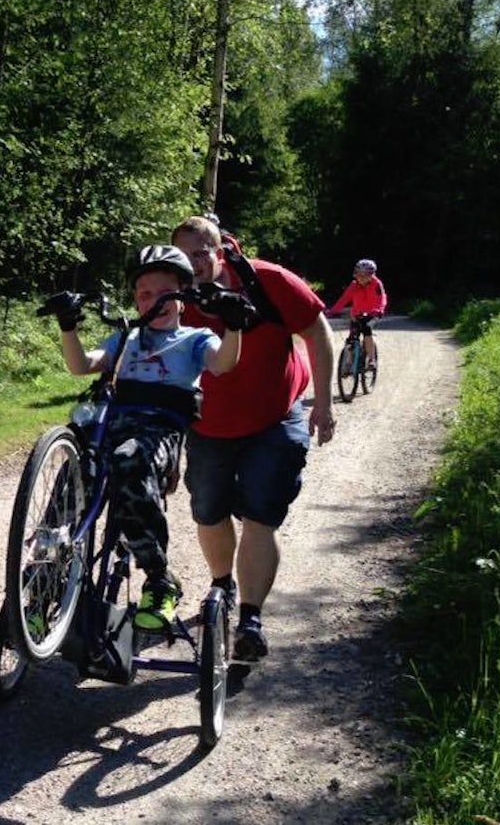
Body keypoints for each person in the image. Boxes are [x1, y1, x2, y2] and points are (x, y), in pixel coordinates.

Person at [49, 245, 244, 631]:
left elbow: (223, 363)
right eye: (145, 294)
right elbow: (81, 366)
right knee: (77, 469)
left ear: (184, 297)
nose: (156, 301)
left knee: (129, 460)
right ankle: (48, 577)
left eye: (166, 292)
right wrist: (68, 326)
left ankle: (159, 578)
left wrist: (234, 326)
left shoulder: (194, 339)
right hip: (111, 425)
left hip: (157, 435)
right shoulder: (126, 338)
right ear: (136, 301)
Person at [171, 216, 336, 664]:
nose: (194, 264)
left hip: (275, 418)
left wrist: (323, 402)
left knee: (261, 515)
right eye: (184, 256)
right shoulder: (173, 294)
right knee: (208, 510)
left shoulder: (268, 280)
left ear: (220, 251)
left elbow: (317, 332)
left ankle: (250, 620)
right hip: (208, 425)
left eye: (201, 253)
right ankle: (222, 585)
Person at [327, 259, 387, 367]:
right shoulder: (354, 285)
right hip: (356, 314)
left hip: (372, 314)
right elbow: (344, 299)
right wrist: (332, 311)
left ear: (371, 275)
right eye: (359, 274)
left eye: (365, 275)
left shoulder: (376, 284)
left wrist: (379, 310)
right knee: (351, 338)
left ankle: (371, 359)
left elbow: (381, 298)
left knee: (367, 330)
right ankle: (348, 364)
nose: (361, 278)